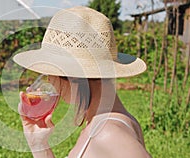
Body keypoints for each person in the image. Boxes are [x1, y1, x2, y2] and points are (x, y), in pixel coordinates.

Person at [13, 6, 151, 158]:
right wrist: (38, 144)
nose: (49, 80)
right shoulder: (102, 121)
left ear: (73, 76)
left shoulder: (108, 134)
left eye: (49, 72)